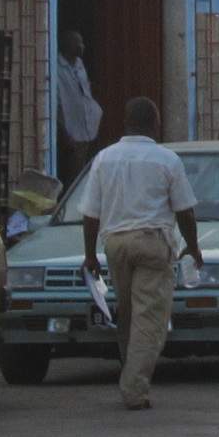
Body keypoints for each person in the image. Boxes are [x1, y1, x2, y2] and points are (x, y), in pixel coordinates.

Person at [76, 95, 202, 410]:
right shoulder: (167, 160)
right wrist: (193, 246)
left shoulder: (104, 159)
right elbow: (185, 212)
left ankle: (130, 373)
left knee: (129, 315)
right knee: (150, 319)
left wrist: (90, 255)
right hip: (152, 243)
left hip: (115, 244)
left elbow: (91, 214)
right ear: (154, 125)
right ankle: (134, 388)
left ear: (126, 124)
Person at [56, 31, 103, 185]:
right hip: (71, 131)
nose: (82, 46)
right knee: (74, 174)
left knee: (88, 171)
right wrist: (64, 133)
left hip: (88, 127)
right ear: (67, 44)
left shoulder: (79, 64)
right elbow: (58, 103)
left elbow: (86, 92)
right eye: (78, 43)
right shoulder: (56, 66)